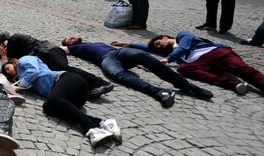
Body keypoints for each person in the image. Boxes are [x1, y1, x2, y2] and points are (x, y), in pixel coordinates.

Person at [2, 56, 122, 148]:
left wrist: (18, 86)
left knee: (52, 100)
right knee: (48, 107)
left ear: (13, 62)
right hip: (71, 97)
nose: (8, 72)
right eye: (7, 73)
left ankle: (91, 128)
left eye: (7, 68)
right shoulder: (22, 78)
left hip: (69, 79)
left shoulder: (24, 60)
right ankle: (102, 123)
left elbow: (34, 71)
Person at [60, 36, 212, 107]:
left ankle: (187, 85)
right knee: (118, 75)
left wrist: (140, 63)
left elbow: (145, 49)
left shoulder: (93, 42)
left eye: (71, 37)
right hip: (106, 59)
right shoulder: (73, 49)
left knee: (142, 56)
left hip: (119, 52)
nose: (71, 38)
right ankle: (159, 93)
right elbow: (58, 49)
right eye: (68, 39)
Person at [123, 31, 264, 95]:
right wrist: (128, 43)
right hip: (201, 64)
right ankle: (233, 84)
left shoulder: (182, 36)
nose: (159, 47)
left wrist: (167, 59)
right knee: (183, 68)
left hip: (216, 53)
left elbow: (184, 47)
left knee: (243, 70)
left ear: (165, 37)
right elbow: (147, 48)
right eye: (158, 47)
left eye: (159, 43)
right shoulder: (169, 52)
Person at [0, 32, 114, 98]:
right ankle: (86, 87)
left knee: (64, 69)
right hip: (45, 56)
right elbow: (8, 69)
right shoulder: (15, 54)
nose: (4, 48)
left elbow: (25, 57)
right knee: (62, 74)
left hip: (49, 51)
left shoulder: (16, 38)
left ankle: (100, 83)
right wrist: (4, 57)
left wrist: (6, 54)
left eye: (4, 45)